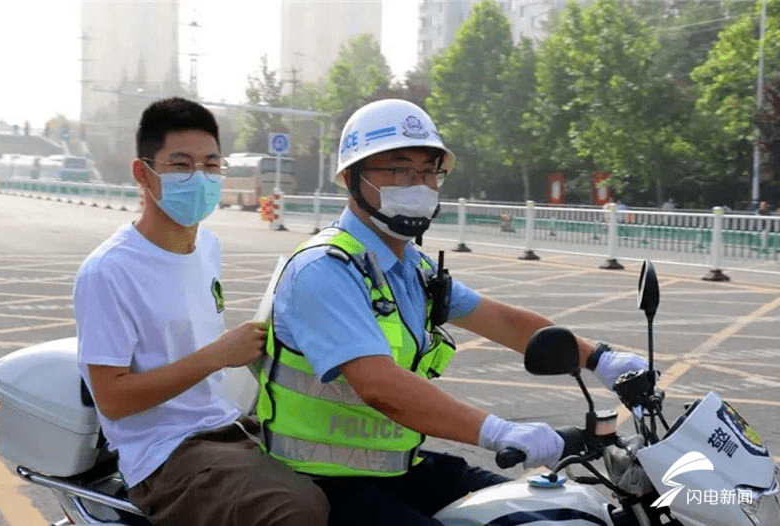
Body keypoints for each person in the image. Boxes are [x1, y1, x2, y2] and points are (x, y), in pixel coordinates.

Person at [257, 99, 648, 525]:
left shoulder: (413, 268)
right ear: (353, 177)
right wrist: (499, 431)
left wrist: (603, 360)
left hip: (399, 467)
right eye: (401, 169)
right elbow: (379, 386)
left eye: (429, 171)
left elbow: (502, 321)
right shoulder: (325, 269)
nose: (419, 183)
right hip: (326, 481)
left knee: (541, 506)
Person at [73, 97, 328, 526]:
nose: (200, 177)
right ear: (143, 173)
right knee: (298, 510)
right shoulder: (108, 271)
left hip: (225, 425)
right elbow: (113, 400)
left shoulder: (208, 247)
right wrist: (217, 355)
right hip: (163, 455)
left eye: (211, 165)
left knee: (350, 476)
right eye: (180, 165)